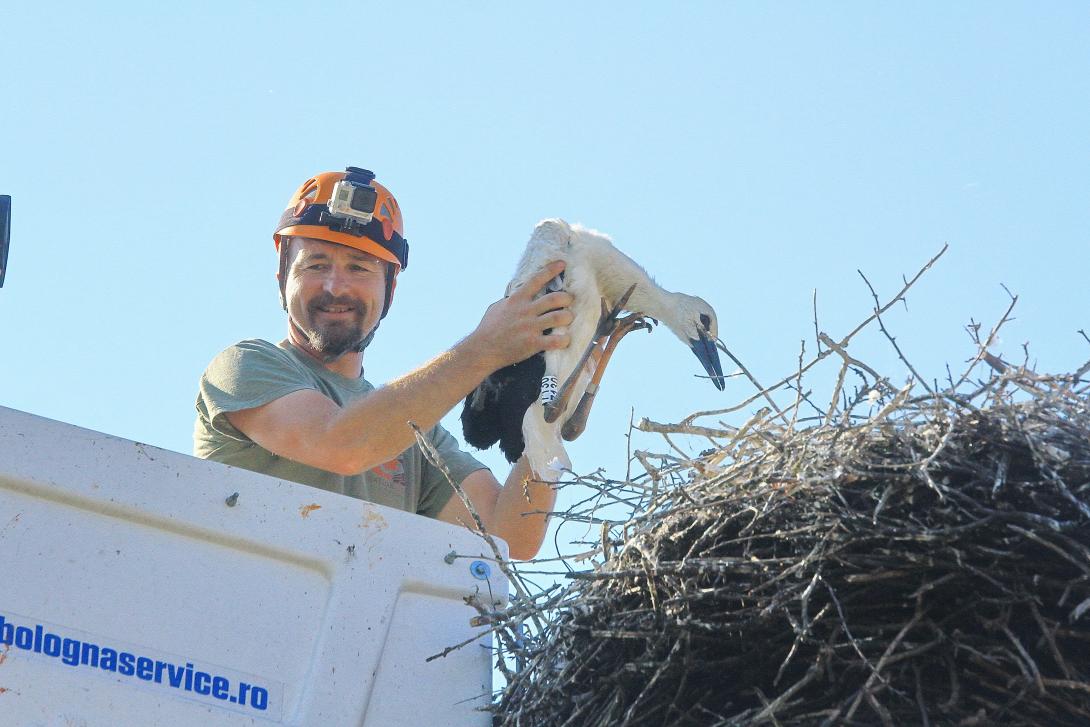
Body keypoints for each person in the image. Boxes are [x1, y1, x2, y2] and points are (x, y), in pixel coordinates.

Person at [193, 166, 574, 559]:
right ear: (283, 274)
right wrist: (486, 348)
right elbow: (342, 444)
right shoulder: (244, 367)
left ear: (389, 287)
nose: (335, 287)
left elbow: (509, 533)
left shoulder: (414, 437)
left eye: (359, 268)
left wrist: (554, 402)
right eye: (316, 264)